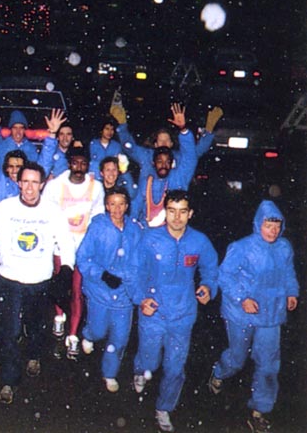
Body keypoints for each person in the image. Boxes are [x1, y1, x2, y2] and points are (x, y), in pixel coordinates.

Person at [0, 161, 76, 405]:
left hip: (40, 282)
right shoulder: (5, 208)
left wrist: (67, 269)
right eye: (25, 181)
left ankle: (35, 354)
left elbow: (66, 243)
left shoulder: (52, 211)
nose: (29, 187)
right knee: (9, 332)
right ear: (18, 183)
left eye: (34, 182)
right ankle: (9, 379)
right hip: (10, 281)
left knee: (36, 327)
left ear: (42, 184)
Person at [208, 200, 299, 433]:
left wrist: (291, 292)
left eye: (277, 226)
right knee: (237, 358)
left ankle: (259, 411)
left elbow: (288, 272)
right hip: (241, 313)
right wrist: (242, 298)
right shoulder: (241, 247)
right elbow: (224, 276)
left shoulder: (284, 247)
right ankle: (219, 372)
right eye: (269, 225)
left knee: (268, 364)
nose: (273, 231)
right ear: (258, 224)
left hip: (271, 314)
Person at [132, 190, 218, 432]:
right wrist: (141, 299)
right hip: (154, 312)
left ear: (190, 214)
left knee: (174, 367)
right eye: (172, 211)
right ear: (165, 212)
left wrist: (208, 286)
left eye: (182, 212)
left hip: (183, 314)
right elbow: (135, 271)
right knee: (150, 359)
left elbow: (211, 269)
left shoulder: (199, 241)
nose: (177, 217)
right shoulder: (150, 239)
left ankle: (164, 408)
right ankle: (140, 369)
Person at [76, 187, 143, 392]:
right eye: (112, 204)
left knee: (119, 338)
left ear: (127, 205)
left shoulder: (135, 230)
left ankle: (110, 373)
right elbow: (82, 258)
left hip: (124, 295)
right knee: (98, 331)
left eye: (121, 204)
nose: (117, 209)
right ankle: (88, 334)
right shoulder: (98, 227)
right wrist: (103, 274)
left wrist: (136, 286)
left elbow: (140, 261)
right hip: (99, 291)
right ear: (106, 205)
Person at [42, 145, 105, 360]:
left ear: (88, 165)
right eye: (75, 163)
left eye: (83, 164)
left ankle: (73, 335)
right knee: (60, 285)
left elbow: (97, 218)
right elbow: (48, 217)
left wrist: (91, 247)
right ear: (69, 164)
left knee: (77, 291)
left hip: (83, 248)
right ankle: (59, 317)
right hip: (60, 246)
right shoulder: (55, 186)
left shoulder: (95, 187)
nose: (79, 167)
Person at [129, 104, 197, 227]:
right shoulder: (147, 182)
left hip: (172, 232)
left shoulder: (179, 178)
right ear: (153, 163)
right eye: (160, 162)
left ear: (172, 164)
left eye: (167, 162)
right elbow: (135, 207)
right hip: (148, 232)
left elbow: (190, 157)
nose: (163, 165)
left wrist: (183, 130)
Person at [0, 106, 64, 203]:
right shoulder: (0, 184)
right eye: (11, 166)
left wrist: (52, 133)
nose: (15, 170)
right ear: (6, 168)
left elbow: (44, 164)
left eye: (18, 166)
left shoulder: (29, 187)